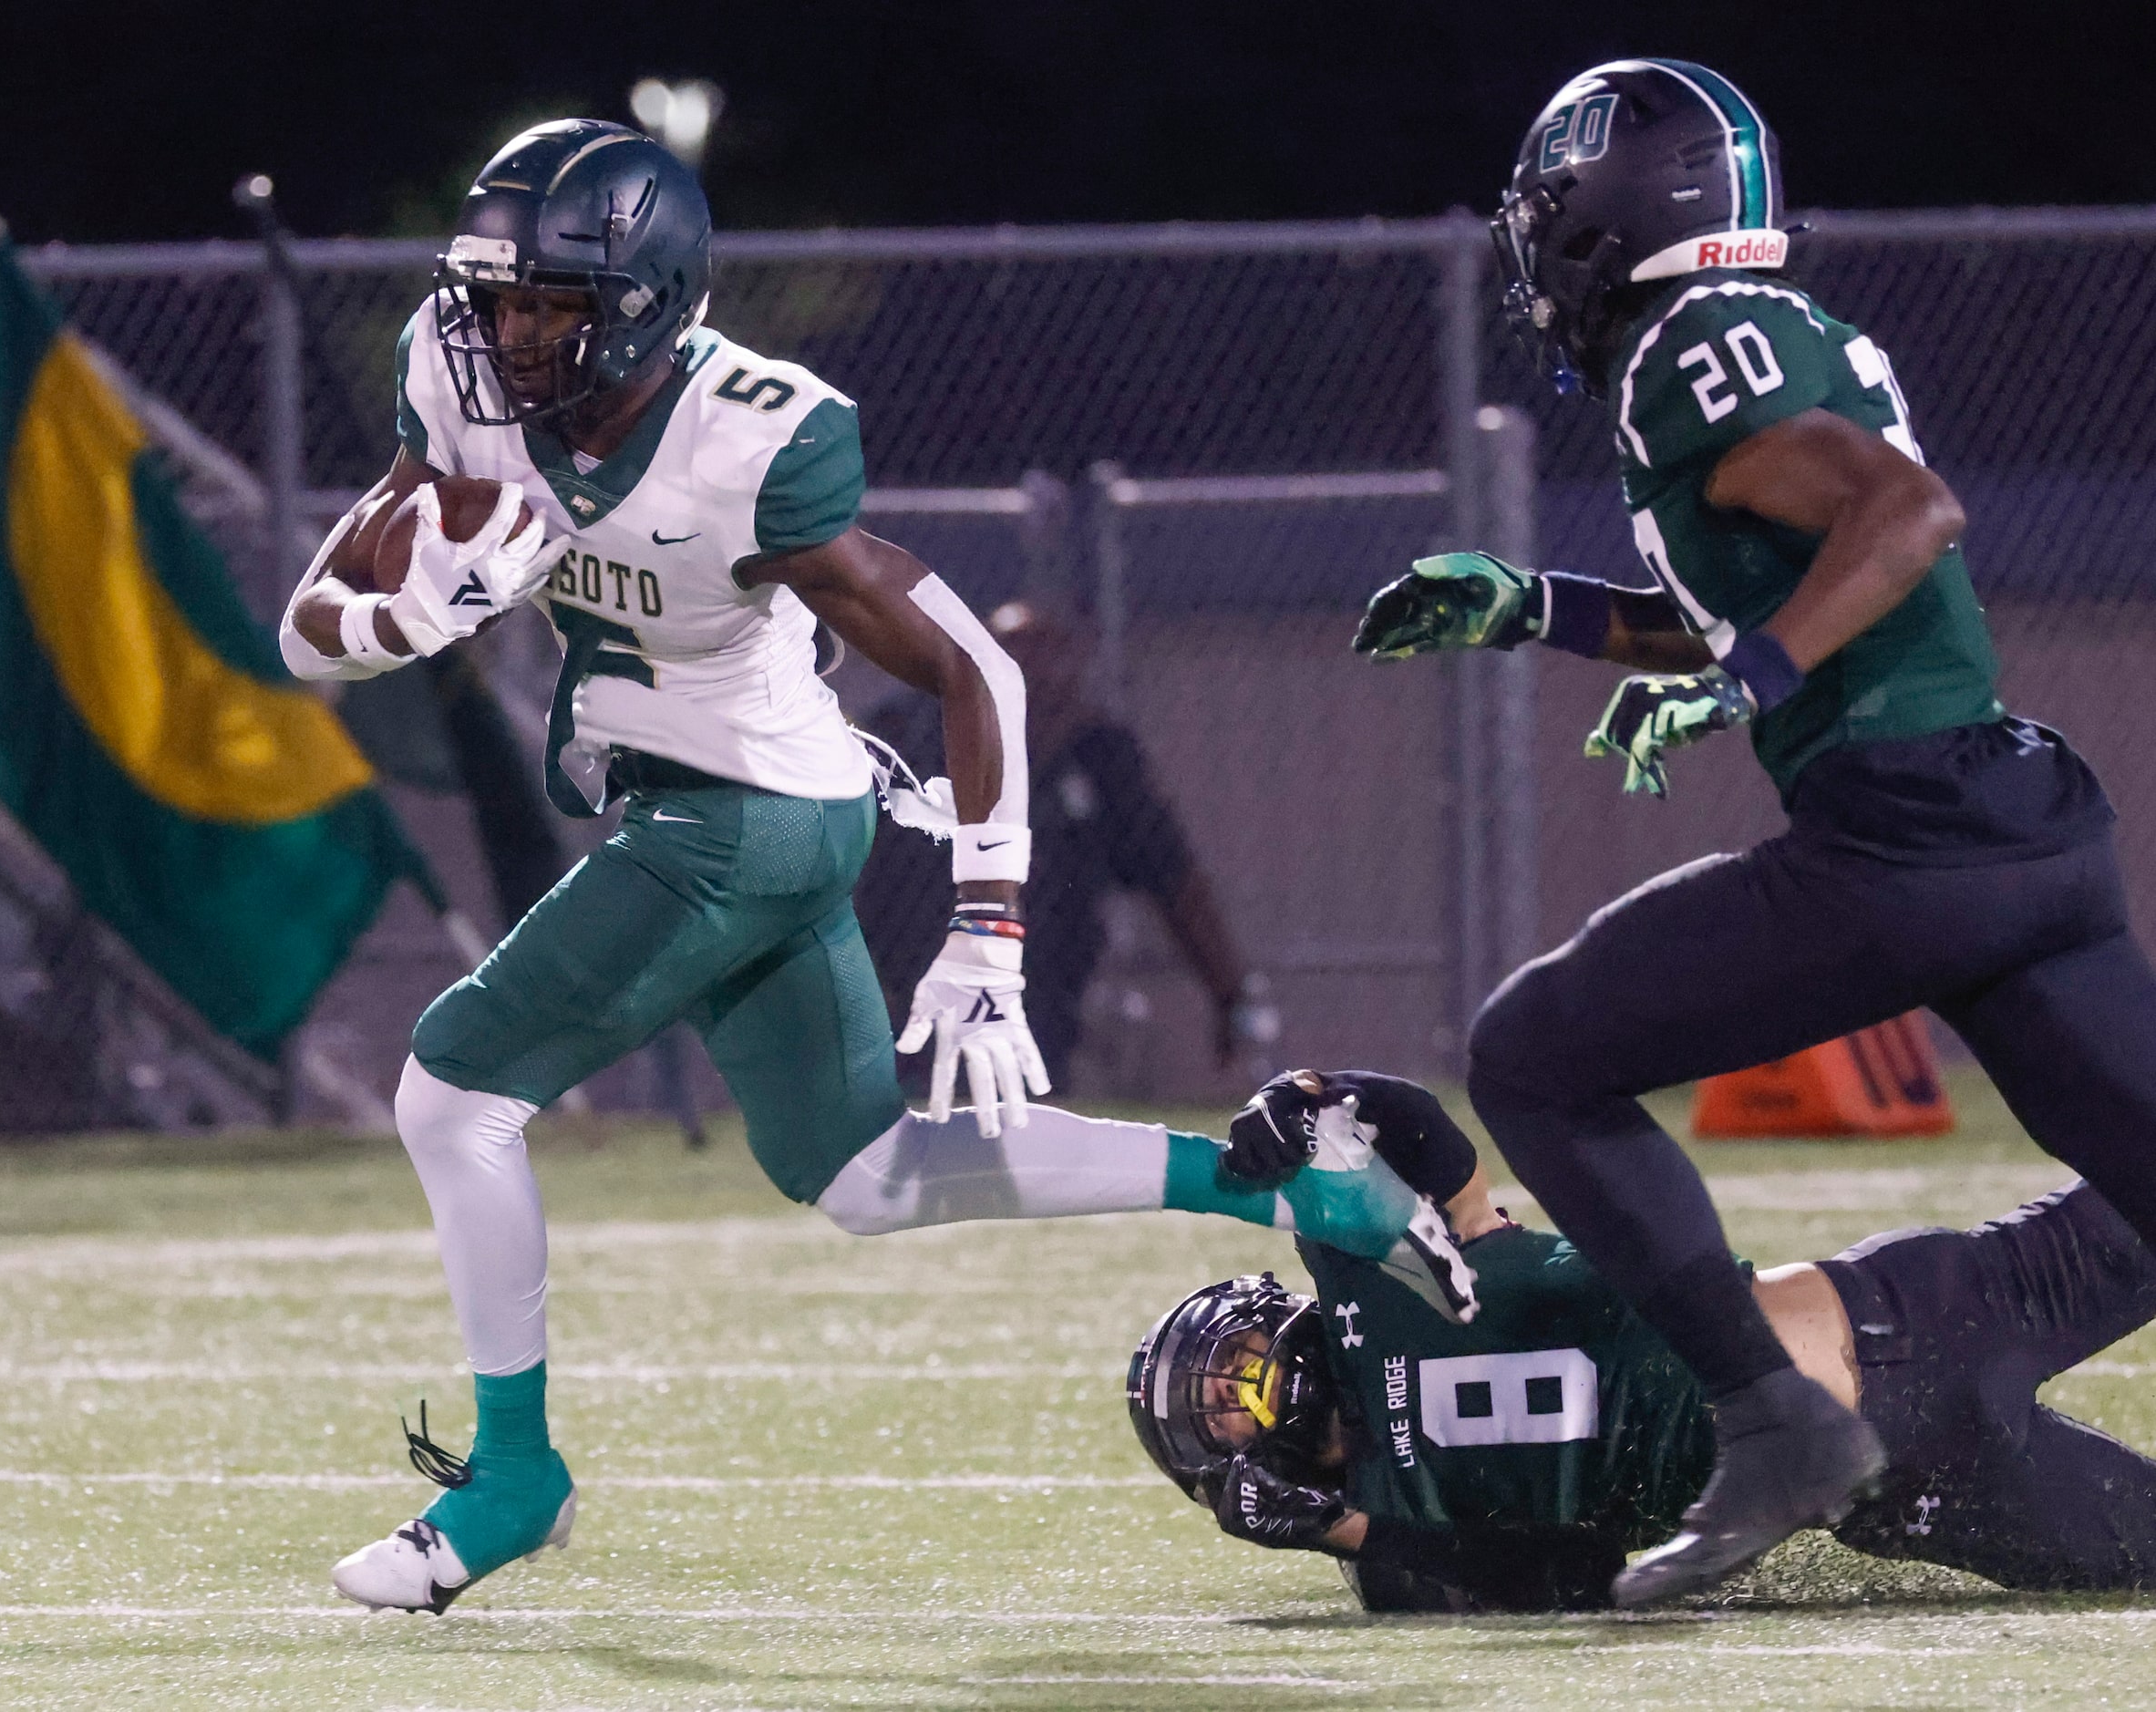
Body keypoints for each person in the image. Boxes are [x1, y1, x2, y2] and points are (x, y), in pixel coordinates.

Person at [275, 119, 1459, 1614]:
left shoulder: (754, 435)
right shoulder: (461, 380)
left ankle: (516, 1475)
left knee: (451, 1089)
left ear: (642, 301)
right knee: (865, 1172)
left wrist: (989, 925)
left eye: (551, 305)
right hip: (714, 804)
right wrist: (392, 608)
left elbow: (978, 665)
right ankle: (1278, 1193)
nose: (510, 333)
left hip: (745, 812)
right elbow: (360, 577)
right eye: (498, 298)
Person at [1347, 57, 2156, 1604]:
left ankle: (1772, 1416)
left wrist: (1752, 674)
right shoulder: (1756, 330)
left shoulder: (1687, 341)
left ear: (1605, 211)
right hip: (2012, 828)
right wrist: (1539, 607)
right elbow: (1752, 588)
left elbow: (1902, 516)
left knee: (1533, 1052)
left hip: (1906, 834)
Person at [1138, 1072, 2156, 1611]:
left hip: (1896, 1308)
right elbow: (1570, 1580)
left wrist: (1306, 1087)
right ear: (1228, 1472)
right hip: (1906, 1487)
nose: (1252, 1389)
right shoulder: (1395, 1549)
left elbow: (1430, 1144)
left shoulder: (1376, 1270)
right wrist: (1336, 1529)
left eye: (1233, 1366)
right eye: (1227, 1408)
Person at [855, 599, 1276, 1093]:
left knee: (1018, 1120)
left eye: (1049, 656)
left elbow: (1171, 876)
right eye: (1014, 654)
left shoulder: (1096, 754)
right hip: (914, 977)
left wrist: (1227, 990)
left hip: (1040, 992)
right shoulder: (912, 737)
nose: (1034, 674)